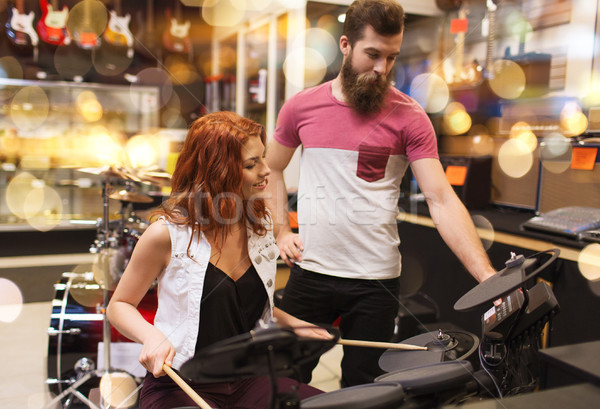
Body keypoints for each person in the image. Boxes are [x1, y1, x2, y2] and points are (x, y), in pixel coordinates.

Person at [266, 0, 497, 387]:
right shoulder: (301, 107)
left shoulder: (410, 117)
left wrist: (487, 277)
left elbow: (441, 200)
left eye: (391, 58)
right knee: (285, 383)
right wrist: (279, 232)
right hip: (310, 272)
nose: (381, 69)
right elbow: (272, 168)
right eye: (372, 54)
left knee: (364, 390)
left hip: (376, 281)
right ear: (345, 45)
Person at [107, 111, 329, 409]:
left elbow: (245, 309)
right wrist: (152, 337)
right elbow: (119, 306)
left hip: (249, 377)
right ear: (218, 171)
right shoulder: (166, 235)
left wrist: (294, 324)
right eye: (253, 164)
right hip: (181, 381)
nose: (267, 170)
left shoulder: (259, 226)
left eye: (263, 158)